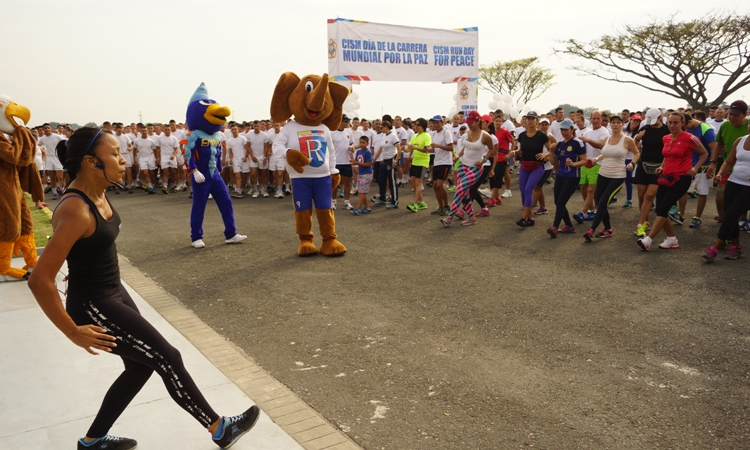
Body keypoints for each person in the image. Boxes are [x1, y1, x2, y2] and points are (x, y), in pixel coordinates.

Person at [27, 128, 260, 450]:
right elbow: (39, 279)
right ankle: (219, 428)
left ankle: (93, 440)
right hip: (94, 303)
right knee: (168, 357)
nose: (123, 160)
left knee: (140, 367)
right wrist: (71, 331)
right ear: (91, 162)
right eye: (115, 154)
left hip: (113, 292)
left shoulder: (98, 193)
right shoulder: (75, 209)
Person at [637, 113, 708, 251]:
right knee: (659, 209)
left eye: (675, 122)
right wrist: (662, 167)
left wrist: (695, 168)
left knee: (663, 209)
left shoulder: (690, 138)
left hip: (682, 178)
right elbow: (667, 156)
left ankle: (648, 240)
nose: (672, 125)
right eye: (670, 122)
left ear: (682, 123)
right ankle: (671, 239)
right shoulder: (666, 138)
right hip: (665, 176)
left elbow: (704, 153)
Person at [582, 115, 639, 241]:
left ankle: (591, 230)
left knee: (603, 202)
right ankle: (608, 229)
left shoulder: (627, 140)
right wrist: (598, 158)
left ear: (622, 124)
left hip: (618, 176)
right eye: (613, 122)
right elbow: (606, 153)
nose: (615, 125)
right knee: (599, 202)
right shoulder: (607, 138)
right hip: (603, 173)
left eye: (618, 122)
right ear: (610, 125)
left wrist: (632, 163)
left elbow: (636, 153)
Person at [703, 120, 750, 261]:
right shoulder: (740, 141)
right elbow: (729, 161)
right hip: (734, 182)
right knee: (729, 215)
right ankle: (736, 247)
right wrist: (720, 173)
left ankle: (714, 248)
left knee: (731, 214)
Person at [441, 110, 495, 227]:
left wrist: (483, 160)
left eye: (471, 122)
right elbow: (465, 148)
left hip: (476, 168)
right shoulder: (467, 133)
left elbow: (491, 149)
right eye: (468, 122)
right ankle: (472, 217)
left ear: (478, 120)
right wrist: (457, 156)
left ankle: (449, 218)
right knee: (464, 194)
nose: (469, 124)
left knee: (460, 189)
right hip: (462, 165)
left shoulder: (485, 136)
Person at [546, 118, 587, 237]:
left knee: (560, 201)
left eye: (566, 130)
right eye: (562, 130)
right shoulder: (560, 144)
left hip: (573, 177)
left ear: (572, 129)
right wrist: (551, 151)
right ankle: (569, 225)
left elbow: (584, 160)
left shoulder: (578, 142)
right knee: (557, 202)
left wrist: (574, 164)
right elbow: (554, 163)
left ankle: (554, 226)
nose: (564, 132)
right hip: (560, 175)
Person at [633, 108, 671, 237]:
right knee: (641, 196)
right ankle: (646, 221)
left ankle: (639, 224)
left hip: (659, 166)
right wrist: (638, 138)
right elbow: (635, 147)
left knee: (649, 195)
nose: (653, 124)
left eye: (655, 120)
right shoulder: (645, 128)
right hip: (643, 165)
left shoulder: (667, 130)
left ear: (660, 117)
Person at [513, 111, 551, 227]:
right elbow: (520, 151)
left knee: (529, 189)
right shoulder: (522, 135)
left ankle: (524, 218)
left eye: (532, 119)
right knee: (523, 190)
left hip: (537, 167)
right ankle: (530, 217)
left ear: (536, 121)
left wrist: (545, 155)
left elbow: (551, 149)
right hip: (525, 165)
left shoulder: (542, 136)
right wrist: (513, 152)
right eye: (528, 118)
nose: (530, 120)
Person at [373, 120, 402, 209]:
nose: (381, 129)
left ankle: (395, 201)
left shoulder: (393, 136)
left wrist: (396, 161)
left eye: (382, 127)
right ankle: (382, 199)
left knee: (392, 182)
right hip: (384, 160)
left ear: (386, 127)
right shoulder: (384, 136)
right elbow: (381, 149)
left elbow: (399, 149)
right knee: (381, 180)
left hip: (391, 159)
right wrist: (374, 159)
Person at [405, 118, 432, 212]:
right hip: (414, 162)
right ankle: (422, 202)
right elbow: (410, 148)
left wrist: (415, 147)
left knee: (418, 183)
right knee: (412, 182)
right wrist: (406, 152)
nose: (415, 126)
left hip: (423, 162)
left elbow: (427, 149)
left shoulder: (426, 136)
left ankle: (415, 204)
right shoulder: (415, 136)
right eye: (415, 125)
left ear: (422, 126)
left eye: (417, 125)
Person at [621, 113, 642, 208]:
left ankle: (629, 200)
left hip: (630, 158)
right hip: (620, 157)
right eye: (634, 120)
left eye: (638, 121)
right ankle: (612, 196)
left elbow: (635, 148)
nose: (635, 122)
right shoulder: (623, 129)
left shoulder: (639, 134)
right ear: (630, 120)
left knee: (628, 180)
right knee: (616, 178)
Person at [350, 136, 373, 215]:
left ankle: (358, 208)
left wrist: (357, 163)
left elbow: (368, 164)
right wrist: (354, 162)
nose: (361, 144)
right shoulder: (358, 151)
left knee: (362, 192)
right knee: (361, 191)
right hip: (361, 173)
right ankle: (367, 207)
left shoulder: (367, 152)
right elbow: (357, 161)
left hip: (367, 174)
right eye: (360, 142)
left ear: (367, 144)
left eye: (363, 143)